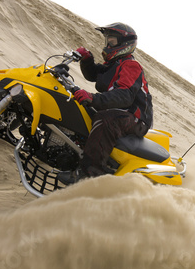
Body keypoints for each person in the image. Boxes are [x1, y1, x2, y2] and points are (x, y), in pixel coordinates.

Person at [58, 22, 153, 184]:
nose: (108, 44)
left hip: (136, 119)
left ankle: (90, 174)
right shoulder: (114, 64)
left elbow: (125, 95)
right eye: (107, 40)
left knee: (106, 119)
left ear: (124, 44)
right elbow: (95, 74)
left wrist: (93, 98)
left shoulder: (130, 65)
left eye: (112, 41)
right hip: (120, 113)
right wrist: (87, 60)